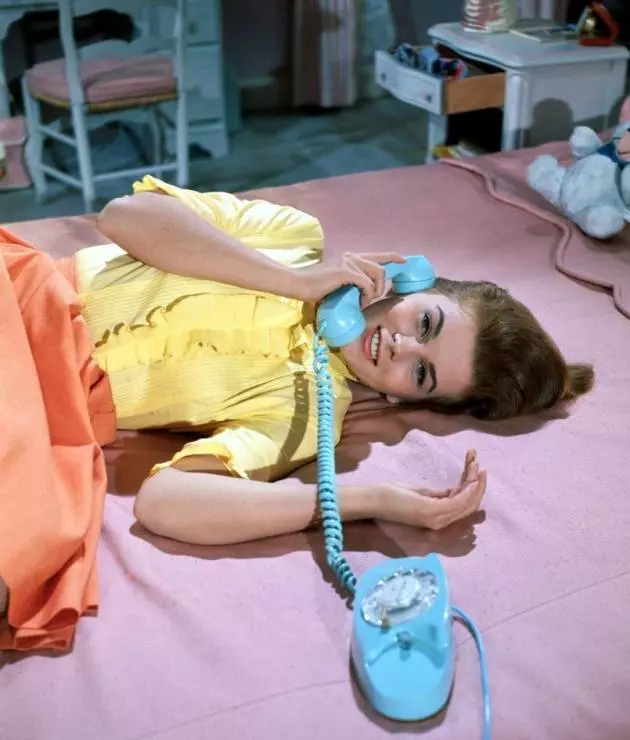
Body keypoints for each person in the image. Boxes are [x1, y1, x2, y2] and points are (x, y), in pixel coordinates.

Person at [0, 176, 594, 651]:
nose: (402, 347)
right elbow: (124, 217)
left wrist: (368, 500)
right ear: (412, 281)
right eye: (425, 322)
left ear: (403, 400)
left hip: (47, 405)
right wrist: (292, 281)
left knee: (35, 542)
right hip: (27, 294)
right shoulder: (293, 236)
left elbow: (162, 503)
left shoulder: (311, 415)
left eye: (421, 373)